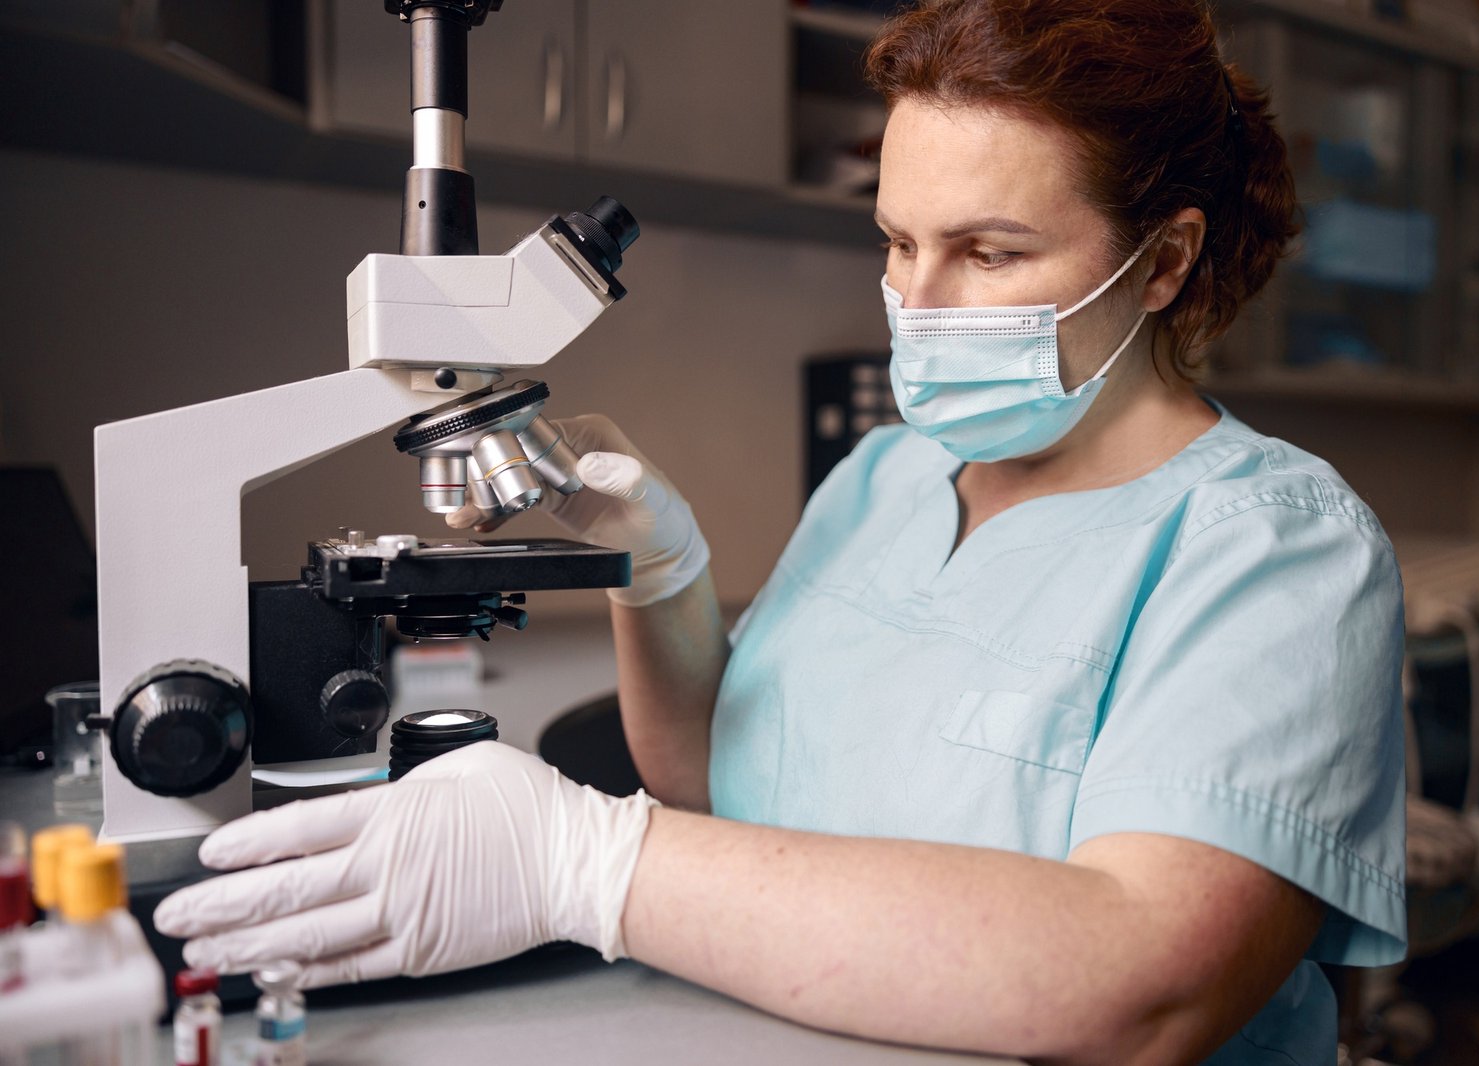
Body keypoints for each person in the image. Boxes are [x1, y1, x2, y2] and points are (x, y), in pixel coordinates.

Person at [154, 1, 1407, 1062]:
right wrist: (662, 577)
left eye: (987, 250)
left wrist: (583, 861)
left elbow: (1148, 985)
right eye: (898, 242)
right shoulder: (885, 477)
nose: (916, 302)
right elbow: (713, 780)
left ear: (1162, 263)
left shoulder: (1276, 549)